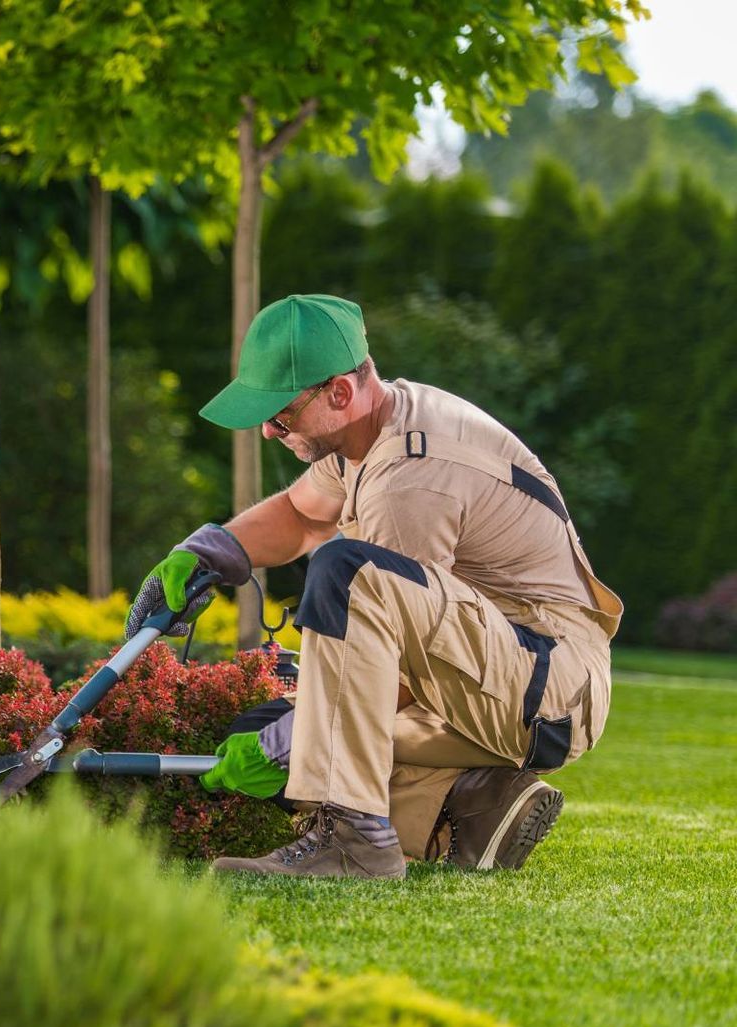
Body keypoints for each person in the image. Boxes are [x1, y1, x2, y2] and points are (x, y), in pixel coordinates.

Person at [124, 295, 622, 879]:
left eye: (282, 414)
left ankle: (356, 840)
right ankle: (475, 805)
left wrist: (293, 745)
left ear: (339, 392)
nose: (267, 430)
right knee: (267, 725)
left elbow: (399, 669)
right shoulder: (369, 429)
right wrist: (210, 551)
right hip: (494, 671)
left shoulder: (408, 481)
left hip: (546, 685)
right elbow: (303, 514)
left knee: (345, 580)